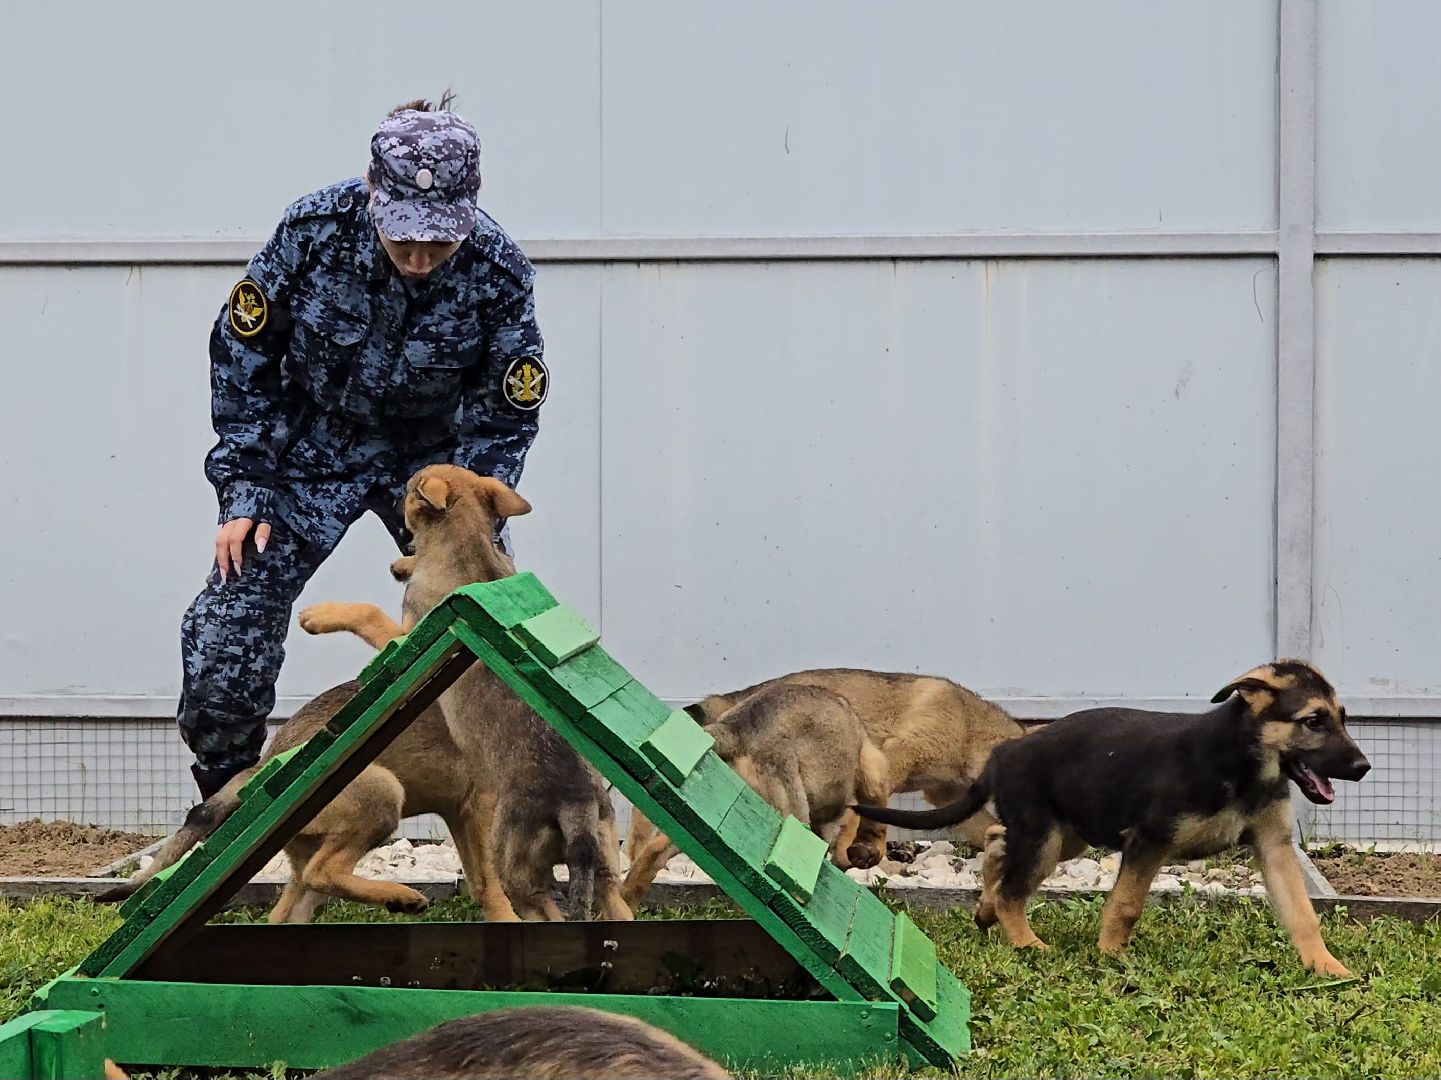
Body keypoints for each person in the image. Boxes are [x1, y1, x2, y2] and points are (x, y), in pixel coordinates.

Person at [178, 93, 547, 799]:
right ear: (374, 193)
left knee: (483, 634)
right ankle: (226, 809)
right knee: (229, 624)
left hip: (433, 468)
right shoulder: (313, 231)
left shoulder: (499, 272)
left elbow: (506, 411)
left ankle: (503, 807)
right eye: (402, 237)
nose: (417, 258)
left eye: (437, 243)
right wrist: (246, 488)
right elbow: (243, 354)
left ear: (472, 206)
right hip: (309, 446)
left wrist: (479, 520)